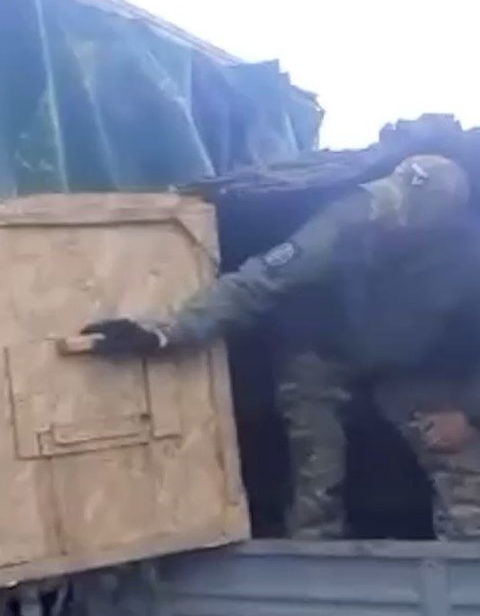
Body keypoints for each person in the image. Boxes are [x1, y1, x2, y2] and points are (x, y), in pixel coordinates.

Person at [80, 154, 480, 540]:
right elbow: (260, 280)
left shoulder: (469, 260)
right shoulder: (345, 221)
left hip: (413, 365)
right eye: (386, 200)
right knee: (316, 463)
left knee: (457, 454)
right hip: (325, 351)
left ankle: (467, 554)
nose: (382, 216)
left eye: (400, 212)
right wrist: (169, 331)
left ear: (437, 226)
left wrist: (467, 412)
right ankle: (316, 554)